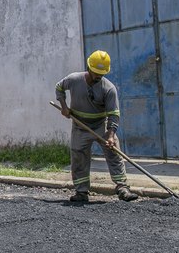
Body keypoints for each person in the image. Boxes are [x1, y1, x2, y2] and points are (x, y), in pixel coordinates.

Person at [55, 50, 139, 203]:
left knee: (114, 153)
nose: (97, 77)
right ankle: (81, 192)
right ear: (89, 68)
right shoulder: (73, 80)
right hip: (80, 126)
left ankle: (122, 188)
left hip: (101, 125)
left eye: (101, 74)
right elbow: (59, 88)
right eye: (95, 73)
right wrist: (64, 107)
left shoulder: (109, 89)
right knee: (78, 156)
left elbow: (113, 114)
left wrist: (111, 135)